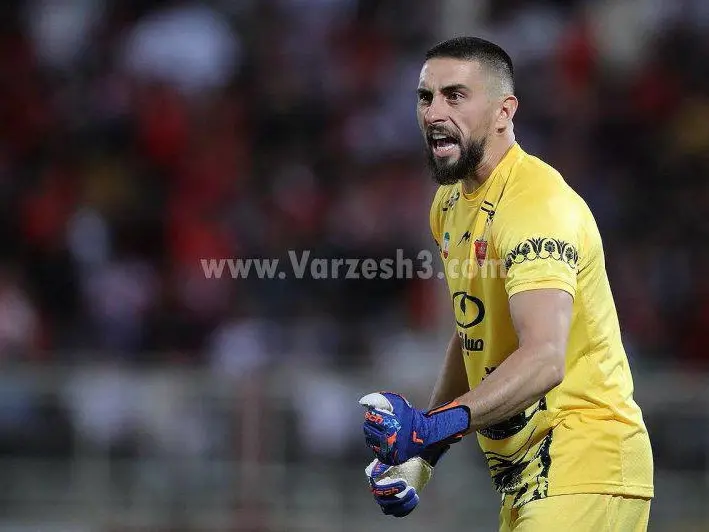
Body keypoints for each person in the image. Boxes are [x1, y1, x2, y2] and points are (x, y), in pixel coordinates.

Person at [359, 36, 654, 531]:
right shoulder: (449, 205)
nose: (434, 113)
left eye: (455, 96)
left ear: (504, 111)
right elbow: (473, 333)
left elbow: (544, 358)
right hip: (529, 482)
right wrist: (425, 451)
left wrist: (435, 426)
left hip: (585, 466)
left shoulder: (536, 204)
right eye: (425, 97)